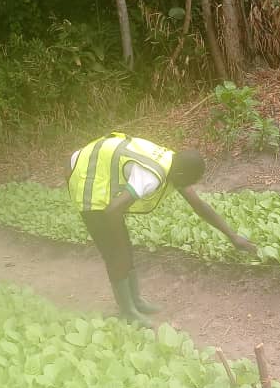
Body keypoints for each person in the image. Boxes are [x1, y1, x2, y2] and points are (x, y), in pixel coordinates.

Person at [67, 132, 256, 327]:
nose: (189, 186)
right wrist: (118, 246)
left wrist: (233, 237)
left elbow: (199, 205)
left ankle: (136, 301)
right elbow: (113, 210)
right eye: (189, 182)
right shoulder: (150, 176)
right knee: (115, 252)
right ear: (181, 175)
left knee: (124, 247)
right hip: (85, 175)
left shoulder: (175, 165)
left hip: (98, 167)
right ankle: (127, 311)